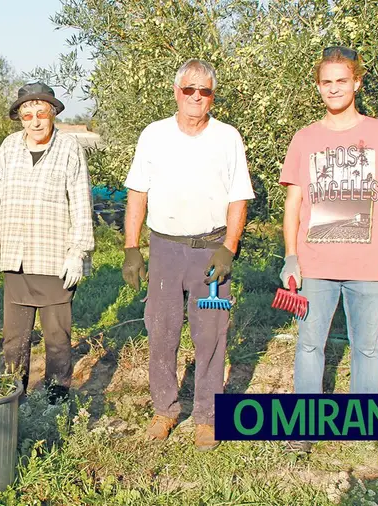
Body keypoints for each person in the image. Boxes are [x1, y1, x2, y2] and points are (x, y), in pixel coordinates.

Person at [121, 59, 255, 449]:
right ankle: (165, 410)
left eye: (205, 91)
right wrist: (132, 248)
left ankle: (207, 417)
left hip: (209, 251)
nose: (196, 97)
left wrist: (229, 248)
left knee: (210, 334)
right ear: (176, 92)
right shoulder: (154, 135)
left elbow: (239, 197)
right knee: (161, 331)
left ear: (213, 96)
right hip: (164, 248)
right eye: (189, 89)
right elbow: (137, 194)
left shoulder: (227, 137)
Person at [279, 46, 378, 453]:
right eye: (327, 82)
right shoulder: (305, 138)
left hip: (369, 264)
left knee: (367, 346)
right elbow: (294, 203)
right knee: (309, 344)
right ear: (319, 87)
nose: (334, 88)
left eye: (342, 80)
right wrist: (291, 256)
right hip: (314, 265)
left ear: (356, 82)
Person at [0, 82, 94, 404]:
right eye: (27, 115)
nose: (35, 121)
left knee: (57, 340)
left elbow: (81, 204)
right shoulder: (8, 148)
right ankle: (13, 403)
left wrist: (78, 252)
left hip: (55, 260)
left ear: (53, 113)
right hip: (16, 258)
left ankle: (55, 402)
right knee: (14, 341)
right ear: (19, 118)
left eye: (41, 113)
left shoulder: (70, 149)